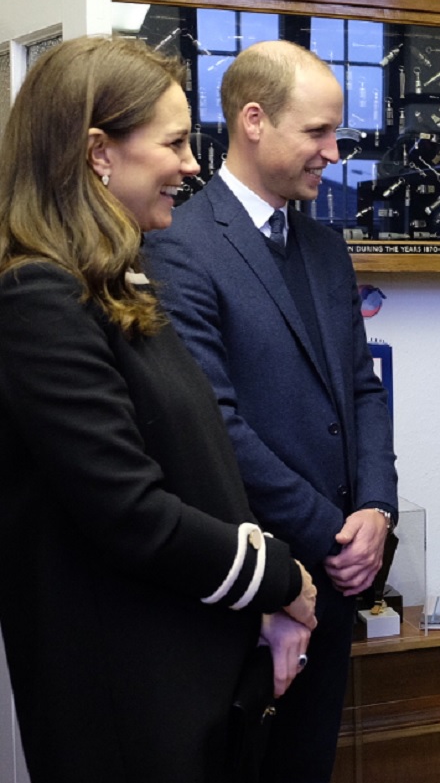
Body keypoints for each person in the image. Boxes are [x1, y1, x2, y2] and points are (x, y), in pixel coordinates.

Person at [0, 35, 318, 783]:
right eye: (174, 142)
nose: (192, 165)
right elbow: (131, 512)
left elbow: (197, 470)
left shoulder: (113, 287)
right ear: (98, 153)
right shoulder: (35, 299)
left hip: (189, 681)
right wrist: (280, 578)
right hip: (126, 705)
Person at [144, 39, 398, 783]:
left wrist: (376, 508)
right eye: (318, 132)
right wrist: (331, 533)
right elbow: (214, 425)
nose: (335, 150)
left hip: (340, 579)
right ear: (253, 121)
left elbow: (362, 388)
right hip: (251, 589)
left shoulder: (325, 247)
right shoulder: (180, 249)